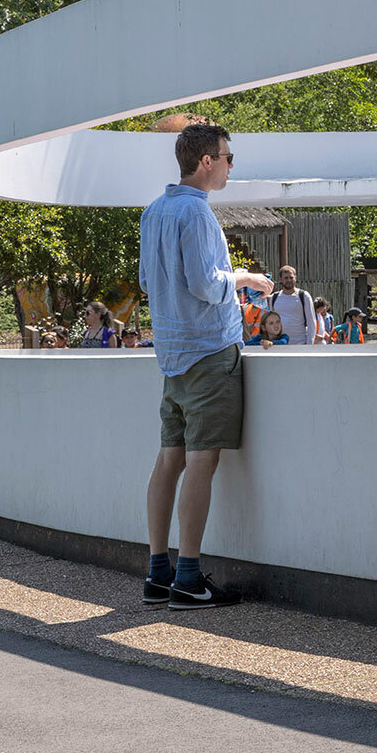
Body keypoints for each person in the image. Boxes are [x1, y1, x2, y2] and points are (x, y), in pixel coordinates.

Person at [139, 123, 271, 611]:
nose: (232, 164)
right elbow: (204, 282)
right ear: (206, 161)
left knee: (168, 458)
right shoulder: (196, 213)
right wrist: (245, 277)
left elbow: (149, 284)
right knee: (201, 462)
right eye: (228, 156)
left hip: (171, 357)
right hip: (208, 353)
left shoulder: (153, 211)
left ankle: (158, 573)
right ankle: (189, 578)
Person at [269, 266, 318, 345]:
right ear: (280, 280)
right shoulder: (274, 298)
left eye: (291, 277)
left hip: (300, 343)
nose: (289, 280)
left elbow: (311, 322)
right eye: (286, 278)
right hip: (280, 344)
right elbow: (271, 322)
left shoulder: (304, 296)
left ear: (295, 278)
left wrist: (309, 344)